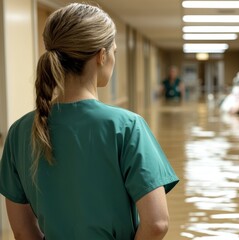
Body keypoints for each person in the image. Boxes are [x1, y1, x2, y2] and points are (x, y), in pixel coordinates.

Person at [0, 3, 178, 240]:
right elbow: (157, 223)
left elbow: (22, 232)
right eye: (114, 51)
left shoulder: (20, 131)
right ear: (102, 56)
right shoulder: (127, 126)